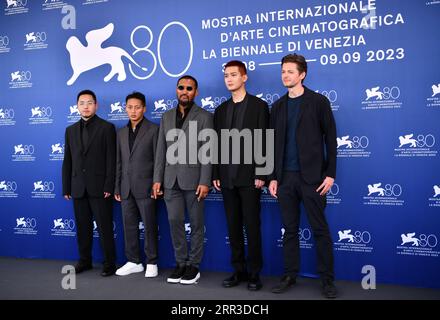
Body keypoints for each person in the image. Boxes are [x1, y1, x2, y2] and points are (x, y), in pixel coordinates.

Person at [268, 53, 338, 298]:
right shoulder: (277, 106)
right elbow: (273, 145)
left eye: (290, 71)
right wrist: (273, 177)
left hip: (313, 179)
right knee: (290, 230)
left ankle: (327, 281)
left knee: (320, 230)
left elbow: (330, 138)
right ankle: (289, 275)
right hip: (285, 179)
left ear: (302, 74)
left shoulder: (318, 102)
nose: (285, 75)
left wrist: (330, 174)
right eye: (283, 71)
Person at [212, 60, 269, 291]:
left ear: (244, 78)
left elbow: (265, 140)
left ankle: (255, 273)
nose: (229, 79)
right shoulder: (221, 110)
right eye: (226, 75)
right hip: (226, 178)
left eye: (233, 75)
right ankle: (238, 270)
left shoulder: (259, 106)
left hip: (250, 178)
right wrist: (216, 172)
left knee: (252, 226)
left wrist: (262, 173)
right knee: (233, 226)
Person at [152, 75, 213, 285]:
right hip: (170, 181)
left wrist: (205, 181)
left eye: (189, 88)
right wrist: (157, 179)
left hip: (195, 180)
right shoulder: (166, 117)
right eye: (181, 87)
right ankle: (180, 263)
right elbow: (161, 150)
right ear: (176, 90)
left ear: (196, 92)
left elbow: (208, 153)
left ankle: (194, 266)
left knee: (196, 224)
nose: (184, 91)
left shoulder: (204, 116)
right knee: (174, 222)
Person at [62, 89, 117, 277]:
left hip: (100, 188)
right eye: (82, 103)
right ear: (77, 106)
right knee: (82, 228)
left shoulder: (107, 128)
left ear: (96, 105)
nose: (86, 106)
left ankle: (110, 263)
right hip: (78, 188)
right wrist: (66, 187)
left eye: (89, 103)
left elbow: (112, 160)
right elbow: (67, 160)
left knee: (104, 228)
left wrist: (109, 185)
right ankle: (84, 261)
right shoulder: (69, 131)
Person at [114, 92, 159, 278]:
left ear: (144, 108)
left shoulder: (154, 129)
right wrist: (117, 186)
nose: (133, 111)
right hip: (125, 188)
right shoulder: (121, 132)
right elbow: (119, 162)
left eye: (137, 107)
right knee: (129, 226)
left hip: (147, 186)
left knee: (149, 226)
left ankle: (152, 262)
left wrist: (157, 183)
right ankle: (133, 261)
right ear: (125, 108)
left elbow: (159, 160)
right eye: (130, 107)